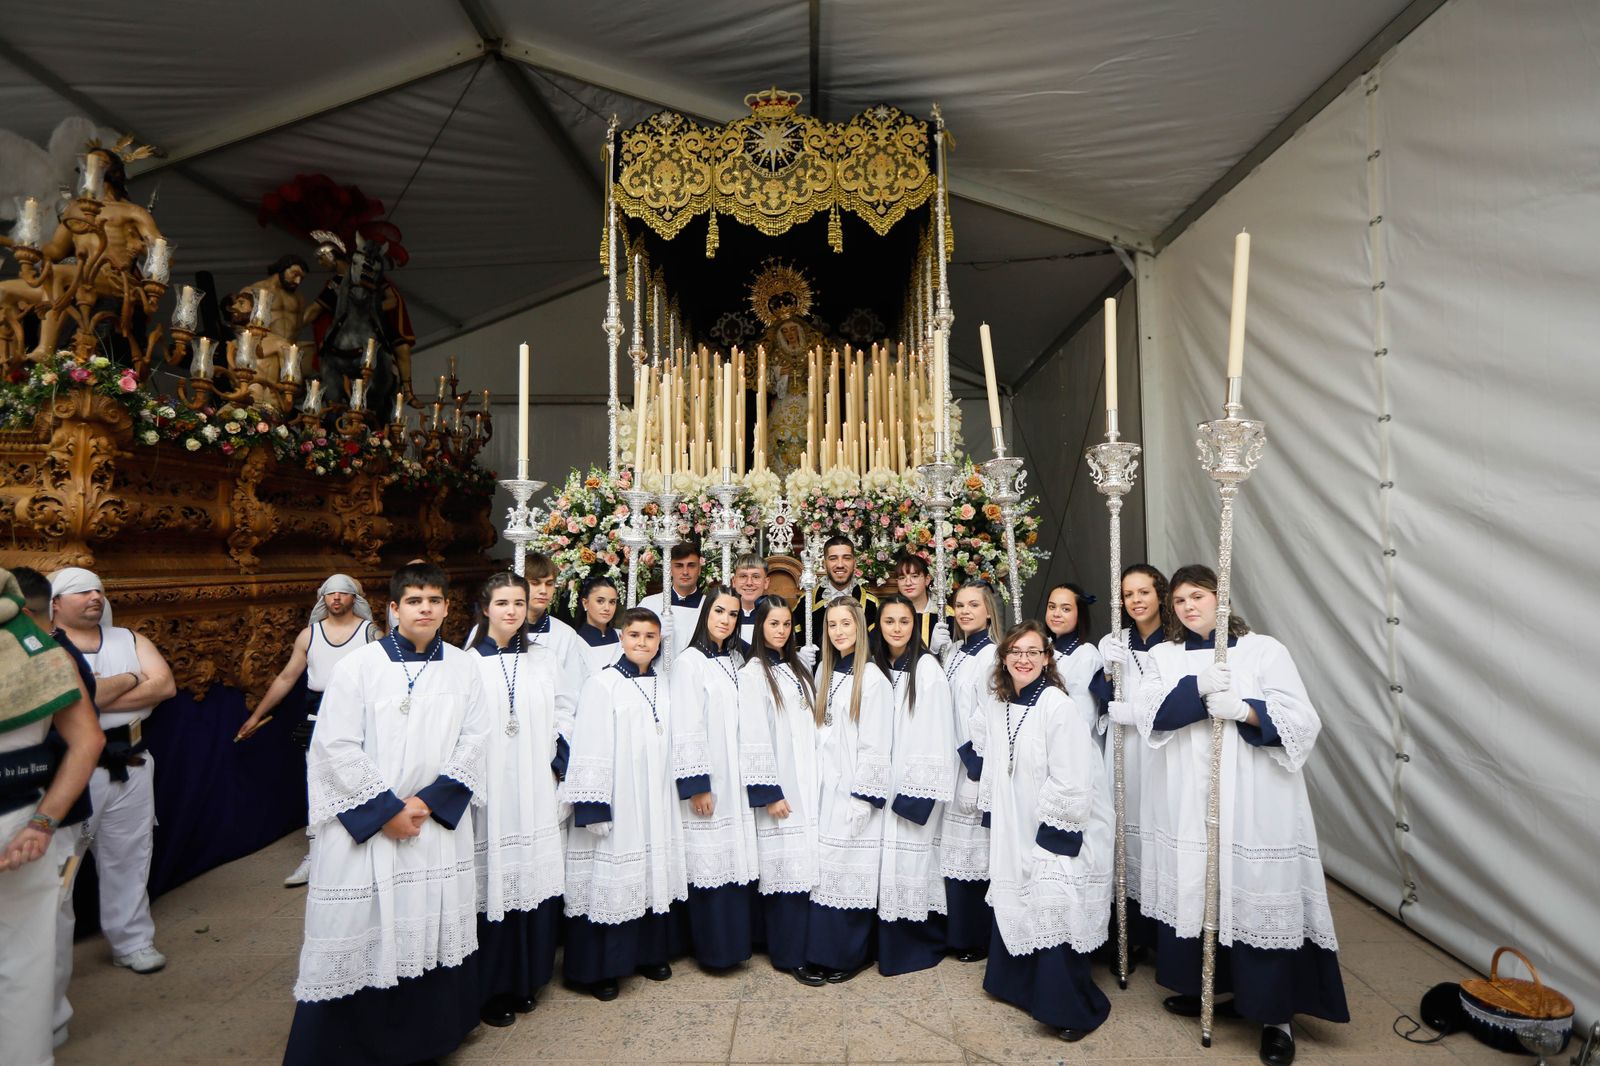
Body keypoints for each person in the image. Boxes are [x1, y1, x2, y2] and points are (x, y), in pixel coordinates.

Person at [1131, 564, 1348, 1066]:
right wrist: (1197, 687)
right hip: (1190, 798)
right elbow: (1151, 716)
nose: (1188, 606)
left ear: (1220, 597)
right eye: (1180, 600)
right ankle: (1214, 988)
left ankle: (1275, 1017)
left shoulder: (1264, 650)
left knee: (1255, 890)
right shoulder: (1164, 656)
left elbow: (1302, 721)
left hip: (1255, 796)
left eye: (1198, 596)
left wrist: (1245, 709)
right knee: (1202, 887)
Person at [284, 561, 491, 1066]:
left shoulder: (464, 667)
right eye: (414, 601)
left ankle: (428, 1040)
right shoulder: (359, 666)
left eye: (435, 601)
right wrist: (385, 811)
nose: (425, 609)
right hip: (371, 827)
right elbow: (334, 746)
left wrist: (427, 802)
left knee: (430, 923)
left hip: (432, 823)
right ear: (393, 608)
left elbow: (476, 739)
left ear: (447, 607)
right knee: (362, 924)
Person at [973, 621, 1113, 1042]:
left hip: (1056, 828)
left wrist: (1053, 841)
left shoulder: (1056, 704)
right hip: (1015, 821)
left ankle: (1069, 1007)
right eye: (1015, 651)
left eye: (1033, 652)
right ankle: (1017, 985)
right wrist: (995, 815)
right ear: (1003, 659)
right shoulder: (999, 703)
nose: (1024, 659)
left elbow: (1073, 778)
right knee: (1016, 896)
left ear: (1047, 658)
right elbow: (996, 763)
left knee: (1052, 900)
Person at [49, 567, 177, 976]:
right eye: (81, 591)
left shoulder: (129, 639)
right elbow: (64, 699)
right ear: (55, 603)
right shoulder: (48, 646)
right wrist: (133, 678)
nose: (95, 596)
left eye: (98, 590)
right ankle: (49, 964)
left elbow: (165, 686)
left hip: (131, 762)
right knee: (62, 867)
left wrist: (93, 695)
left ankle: (133, 941)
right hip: (72, 770)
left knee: (129, 854)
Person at [0, 566, 103, 1066]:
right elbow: (88, 740)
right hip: (20, 820)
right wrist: (42, 823)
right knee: (23, 961)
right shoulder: (43, 652)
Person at [561, 607, 690, 1001]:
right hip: (619, 798)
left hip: (655, 795)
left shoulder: (665, 683)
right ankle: (598, 969)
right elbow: (590, 745)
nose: (642, 643)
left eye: (650, 636)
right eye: (634, 635)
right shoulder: (602, 685)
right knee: (612, 879)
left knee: (649, 874)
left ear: (659, 640)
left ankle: (648, 954)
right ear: (621, 638)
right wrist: (594, 806)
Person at [469, 572, 571, 1028]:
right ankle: (493, 986)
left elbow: (565, 711)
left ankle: (529, 977)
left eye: (518, 603)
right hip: (492, 790)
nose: (512, 611)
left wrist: (557, 759)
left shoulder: (543, 659)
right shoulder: (467, 664)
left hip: (534, 781)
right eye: (502, 603)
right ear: (485, 608)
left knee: (532, 876)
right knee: (495, 879)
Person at [236, 574, 382, 887]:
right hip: (318, 718)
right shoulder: (309, 635)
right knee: (317, 785)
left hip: (359, 717)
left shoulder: (370, 633)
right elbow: (287, 678)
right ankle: (316, 855)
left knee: (361, 782)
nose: (336, 598)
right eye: (331, 593)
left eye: (343, 593)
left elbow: (383, 679)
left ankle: (362, 854)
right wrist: (258, 715)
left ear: (354, 597)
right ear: (323, 598)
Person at [668, 585, 759, 971]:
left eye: (733, 614)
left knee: (733, 861)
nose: (726, 620)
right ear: (706, 613)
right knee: (710, 863)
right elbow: (686, 725)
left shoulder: (736, 659)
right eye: (719, 611)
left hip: (736, 777)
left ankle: (736, 946)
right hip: (710, 778)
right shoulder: (689, 662)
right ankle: (714, 950)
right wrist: (697, 785)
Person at [736, 596, 824, 985]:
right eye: (774, 624)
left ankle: (808, 947)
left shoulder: (795, 667)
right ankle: (789, 955)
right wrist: (769, 792)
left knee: (805, 867)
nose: (781, 631)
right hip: (782, 786)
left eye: (787, 624)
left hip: (808, 781)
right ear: (760, 627)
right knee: (786, 870)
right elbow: (754, 736)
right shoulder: (753, 674)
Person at [804, 596, 892, 983]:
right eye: (832, 625)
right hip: (825, 788)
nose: (839, 631)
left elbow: (876, 744)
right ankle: (822, 952)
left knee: (851, 870)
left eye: (846, 624)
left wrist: (864, 798)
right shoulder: (825, 670)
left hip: (855, 793)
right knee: (826, 871)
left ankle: (849, 956)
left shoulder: (872, 678)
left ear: (860, 627)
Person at [1090, 563, 1172, 963]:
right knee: (1125, 831)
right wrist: (1108, 670)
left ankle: (1163, 933)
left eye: (1143, 592)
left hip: (1160, 748)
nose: (1135, 600)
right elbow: (1100, 696)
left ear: (1160, 594)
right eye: (1128, 594)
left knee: (1158, 831)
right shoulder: (1115, 641)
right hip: (1123, 748)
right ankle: (1127, 932)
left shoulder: (1175, 641)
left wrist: (1139, 713)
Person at [870, 594, 955, 975]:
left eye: (904, 621)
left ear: (914, 625)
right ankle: (883, 945)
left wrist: (917, 794)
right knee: (884, 865)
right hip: (882, 782)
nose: (897, 629)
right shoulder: (876, 666)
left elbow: (937, 732)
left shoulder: (927, 668)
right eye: (889, 621)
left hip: (912, 787)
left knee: (912, 862)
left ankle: (914, 946)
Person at [940, 579, 1003, 961]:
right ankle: (952, 930)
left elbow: (987, 717)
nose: (964, 611)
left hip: (972, 763)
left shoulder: (991, 656)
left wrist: (977, 773)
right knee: (951, 848)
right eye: (960, 605)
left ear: (988, 612)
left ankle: (974, 936)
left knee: (972, 849)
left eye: (973, 605)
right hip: (950, 760)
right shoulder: (955, 651)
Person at [1041, 583, 1104, 736]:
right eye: (1052, 607)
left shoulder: (1086, 655)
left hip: (1070, 739)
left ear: (1079, 614)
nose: (1056, 614)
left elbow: (1084, 716)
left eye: (1066, 609)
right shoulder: (1042, 646)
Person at [804, 537, 879, 653]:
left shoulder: (870, 604)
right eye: (833, 558)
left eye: (846, 558)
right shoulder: (806, 602)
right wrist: (800, 654)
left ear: (854, 563)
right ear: (824, 564)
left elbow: (876, 647)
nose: (840, 564)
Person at [638, 542, 705, 667]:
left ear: (699, 569)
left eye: (691, 565)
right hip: (658, 674)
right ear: (669, 569)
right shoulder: (649, 604)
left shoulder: (710, 606)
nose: (685, 572)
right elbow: (634, 649)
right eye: (679, 566)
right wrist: (655, 637)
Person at [891, 552, 952, 655]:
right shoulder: (890, 613)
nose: (908, 583)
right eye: (902, 578)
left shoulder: (945, 614)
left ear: (927, 580)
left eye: (914, 576)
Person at [574, 576, 621, 678]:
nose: (607, 608)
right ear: (585, 603)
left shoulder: (623, 637)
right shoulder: (574, 642)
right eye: (600, 601)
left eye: (612, 602)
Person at [730, 554, 770, 646]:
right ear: (734, 581)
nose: (749, 583)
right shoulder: (724, 615)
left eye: (756, 577)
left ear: (766, 582)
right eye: (743, 576)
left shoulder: (775, 614)